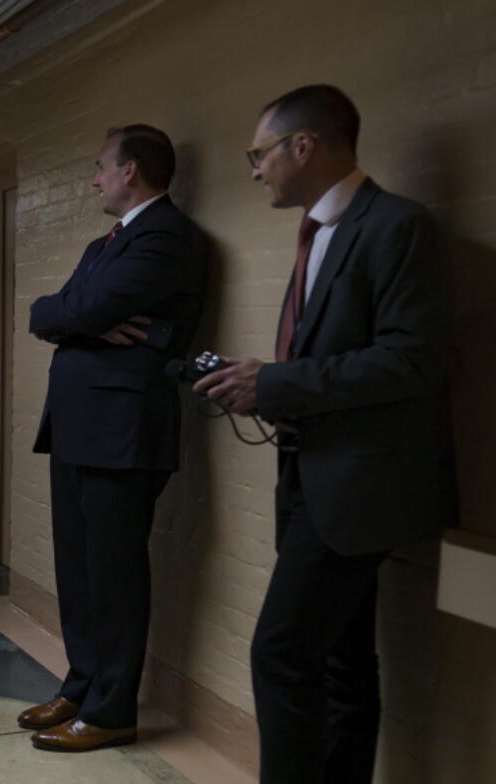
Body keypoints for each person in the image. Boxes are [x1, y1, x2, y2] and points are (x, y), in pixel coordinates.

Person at [194, 85, 455, 783]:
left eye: (260, 154)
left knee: (280, 653)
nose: (256, 170)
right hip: (311, 478)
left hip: (361, 488)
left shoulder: (397, 225)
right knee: (342, 661)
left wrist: (274, 384)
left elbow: (411, 361)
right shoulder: (320, 233)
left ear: (302, 146)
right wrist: (257, 388)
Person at [21, 125, 207, 752]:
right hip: (81, 427)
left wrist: (78, 319)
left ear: (131, 171)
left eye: (102, 167)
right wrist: (79, 321)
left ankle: (111, 712)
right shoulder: (111, 242)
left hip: (122, 432)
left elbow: (81, 309)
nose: (95, 177)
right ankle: (81, 687)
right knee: (78, 567)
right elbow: (52, 310)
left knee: (114, 572)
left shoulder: (166, 238)